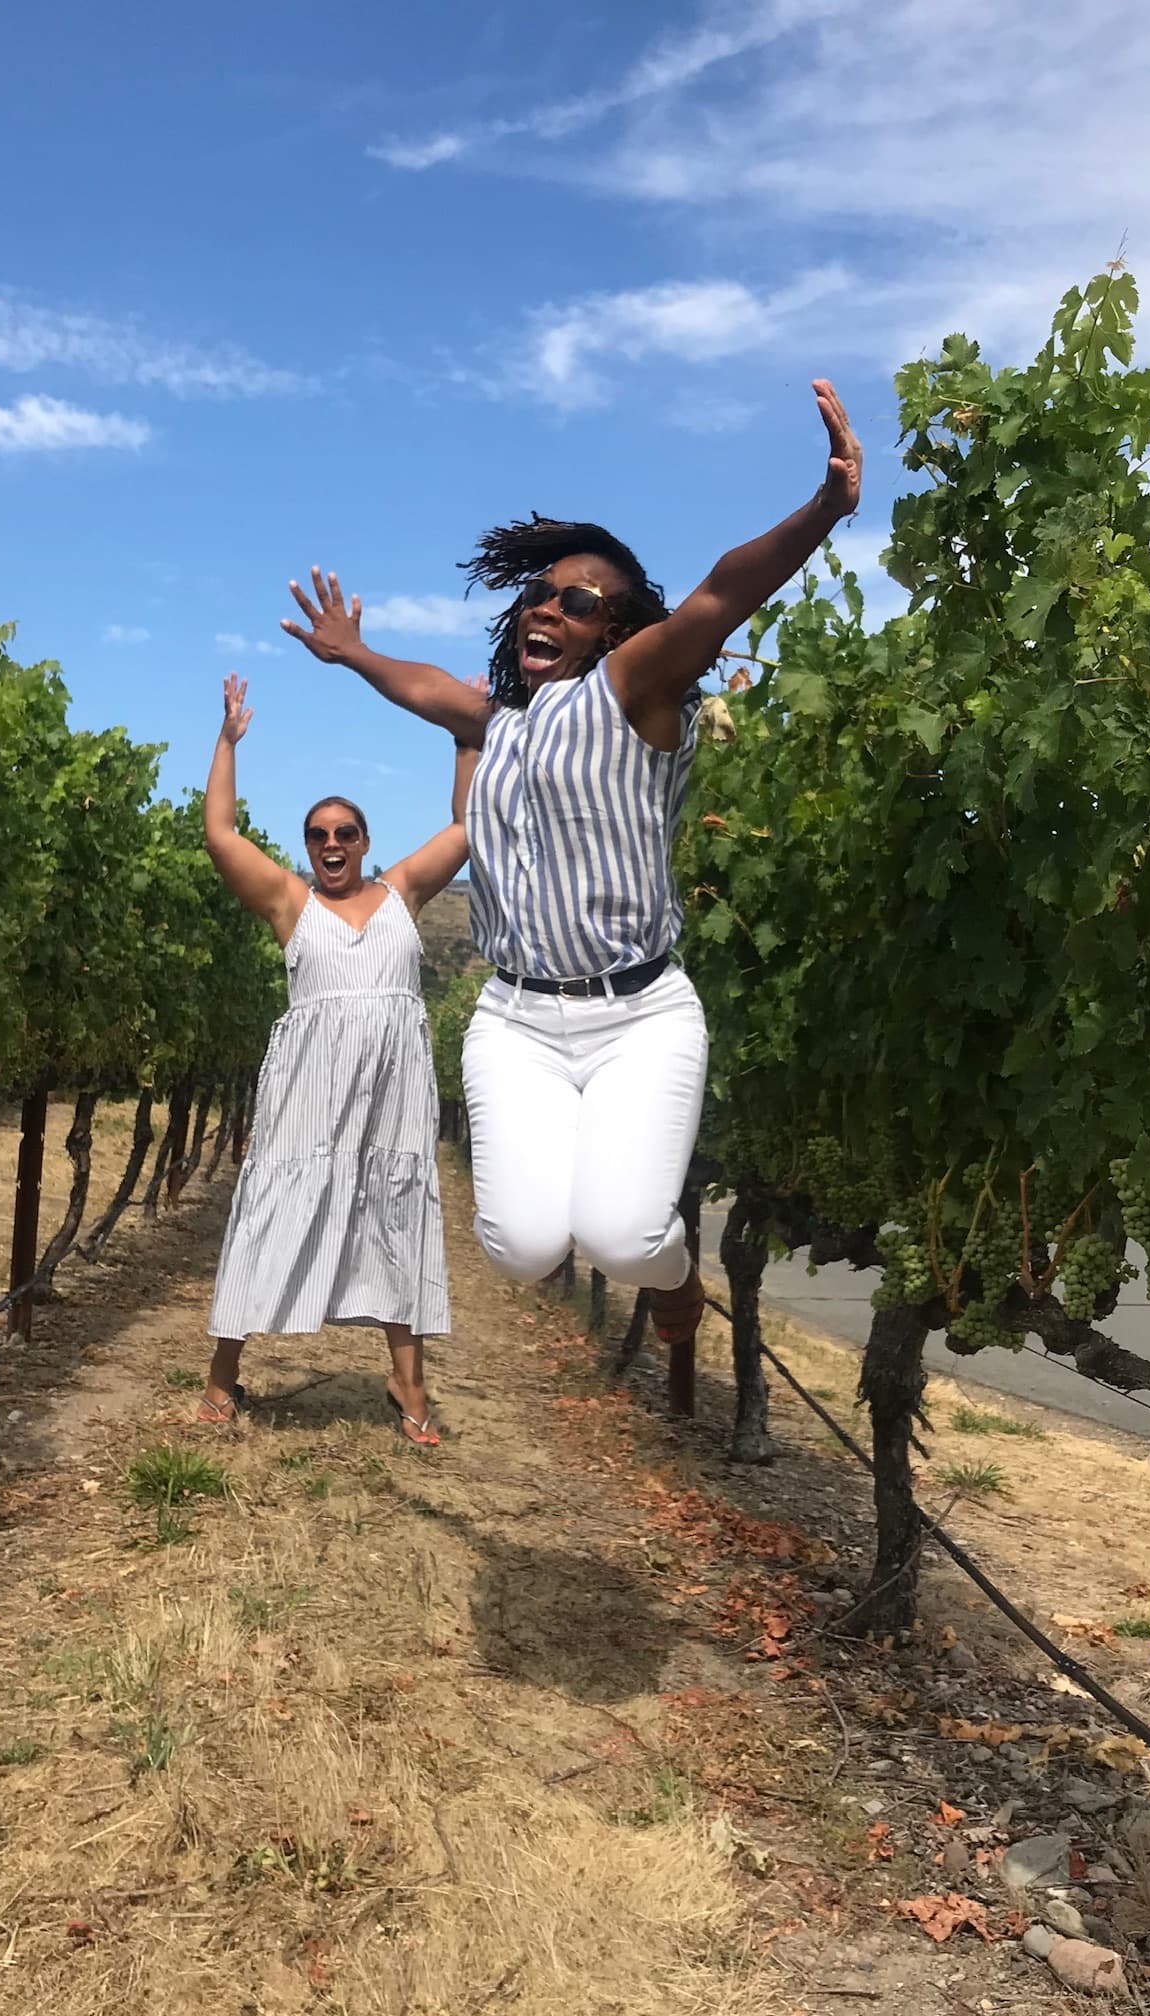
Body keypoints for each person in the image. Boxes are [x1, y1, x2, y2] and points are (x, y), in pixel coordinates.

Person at [280, 377, 863, 1345]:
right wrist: (354, 653)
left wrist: (823, 509)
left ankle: (672, 1279)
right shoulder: (500, 726)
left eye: (578, 599)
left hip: (638, 1012)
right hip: (514, 1015)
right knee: (518, 1247)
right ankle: (643, 1258)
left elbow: (717, 595)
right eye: (538, 595)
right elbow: (428, 688)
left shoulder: (635, 689)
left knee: (628, 1237)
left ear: (616, 630)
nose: (545, 607)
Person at [198, 672, 478, 1446]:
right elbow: (220, 833)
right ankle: (223, 1374)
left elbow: (467, 821)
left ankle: (406, 1380)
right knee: (270, 1206)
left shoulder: (403, 894)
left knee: (392, 1210)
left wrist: (464, 732)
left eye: (344, 833)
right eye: (317, 834)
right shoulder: (291, 904)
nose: (329, 845)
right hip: (308, 1092)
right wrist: (227, 741)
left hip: (392, 1090)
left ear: (364, 842)